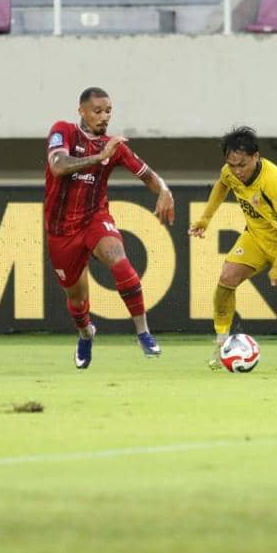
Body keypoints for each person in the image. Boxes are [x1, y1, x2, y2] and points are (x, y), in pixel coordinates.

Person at [45, 87, 176, 369]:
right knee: (76, 299)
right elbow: (57, 166)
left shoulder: (115, 147)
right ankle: (85, 333)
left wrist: (164, 190)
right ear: (81, 111)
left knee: (120, 261)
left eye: (108, 112)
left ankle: (143, 332)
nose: (104, 117)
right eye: (97, 111)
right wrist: (98, 157)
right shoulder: (63, 131)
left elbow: (147, 174)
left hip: (94, 218)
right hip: (60, 230)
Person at [189, 126, 277, 366]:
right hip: (256, 238)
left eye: (242, 165)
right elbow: (222, 184)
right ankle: (221, 344)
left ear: (256, 157)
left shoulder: (272, 181)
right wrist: (205, 218)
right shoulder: (230, 172)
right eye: (232, 165)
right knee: (226, 278)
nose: (237, 171)